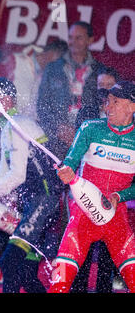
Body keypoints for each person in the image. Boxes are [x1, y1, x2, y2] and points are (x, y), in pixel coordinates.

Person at [0, 77, 63, 293]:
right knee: (24, 273)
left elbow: (17, 176)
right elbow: (3, 173)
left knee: (9, 263)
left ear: (7, 100)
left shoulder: (18, 124)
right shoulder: (8, 126)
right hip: (36, 205)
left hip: (44, 203)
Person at [49, 81, 135, 293]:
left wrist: (118, 196)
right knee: (58, 287)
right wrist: (66, 172)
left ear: (132, 107)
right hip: (82, 218)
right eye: (107, 102)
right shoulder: (90, 128)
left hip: (118, 223)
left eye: (115, 102)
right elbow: (70, 161)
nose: (108, 107)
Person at [70, 66, 121, 293]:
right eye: (101, 87)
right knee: (81, 246)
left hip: (114, 193)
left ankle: (104, 289)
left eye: (110, 87)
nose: (105, 93)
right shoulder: (87, 114)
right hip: (86, 190)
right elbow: (75, 153)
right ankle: (78, 289)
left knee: (109, 250)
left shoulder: (127, 117)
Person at [37, 21, 106, 160]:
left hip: (87, 141)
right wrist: (58, 128)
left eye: (78, 38)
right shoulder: (53, 68)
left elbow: (104, 107)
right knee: (56, 178)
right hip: (57, 139)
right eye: (70, 37)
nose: (73, 41)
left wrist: (84, 133)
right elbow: (42, 105)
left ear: (90, 40)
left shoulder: (100, 71)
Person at [0, 38, 68, 120]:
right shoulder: (15, 61)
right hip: (4, 122)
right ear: (51, 53)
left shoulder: (43, 76)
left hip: (22, 125)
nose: (59, 66)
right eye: (59, 60)